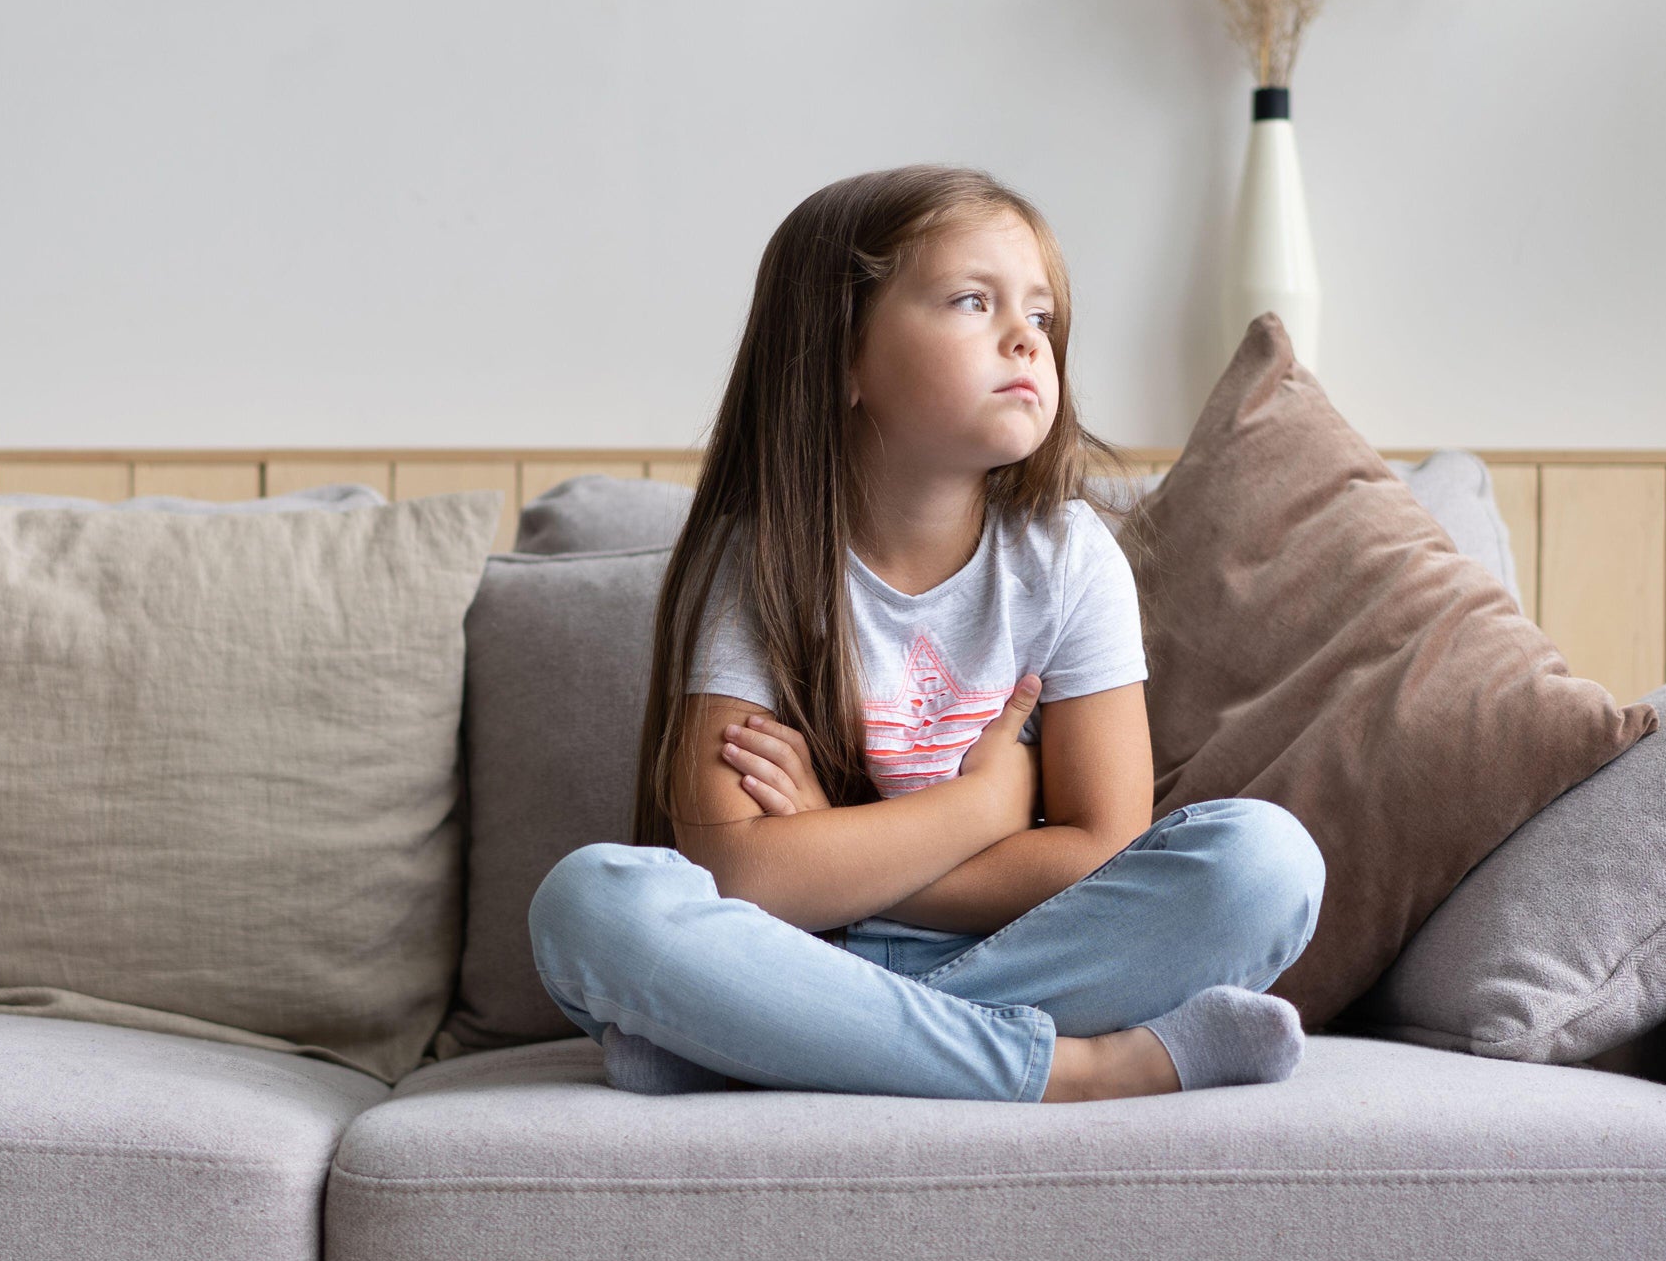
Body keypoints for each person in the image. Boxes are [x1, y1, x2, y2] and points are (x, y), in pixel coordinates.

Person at [526, 165, 1327, 1102]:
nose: (1026, 337)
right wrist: (979, 812)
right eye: (971, 300)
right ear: (843, 358)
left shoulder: (1069, 560)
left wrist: (828, 846)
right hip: (785, 954)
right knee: (590, 904)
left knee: (1265, 862)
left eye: (1042, 315)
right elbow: (738, 869)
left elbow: (1102, 848)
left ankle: (764, 1046)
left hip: (1004, 950)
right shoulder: (760, 562)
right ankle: (1066, 1069)